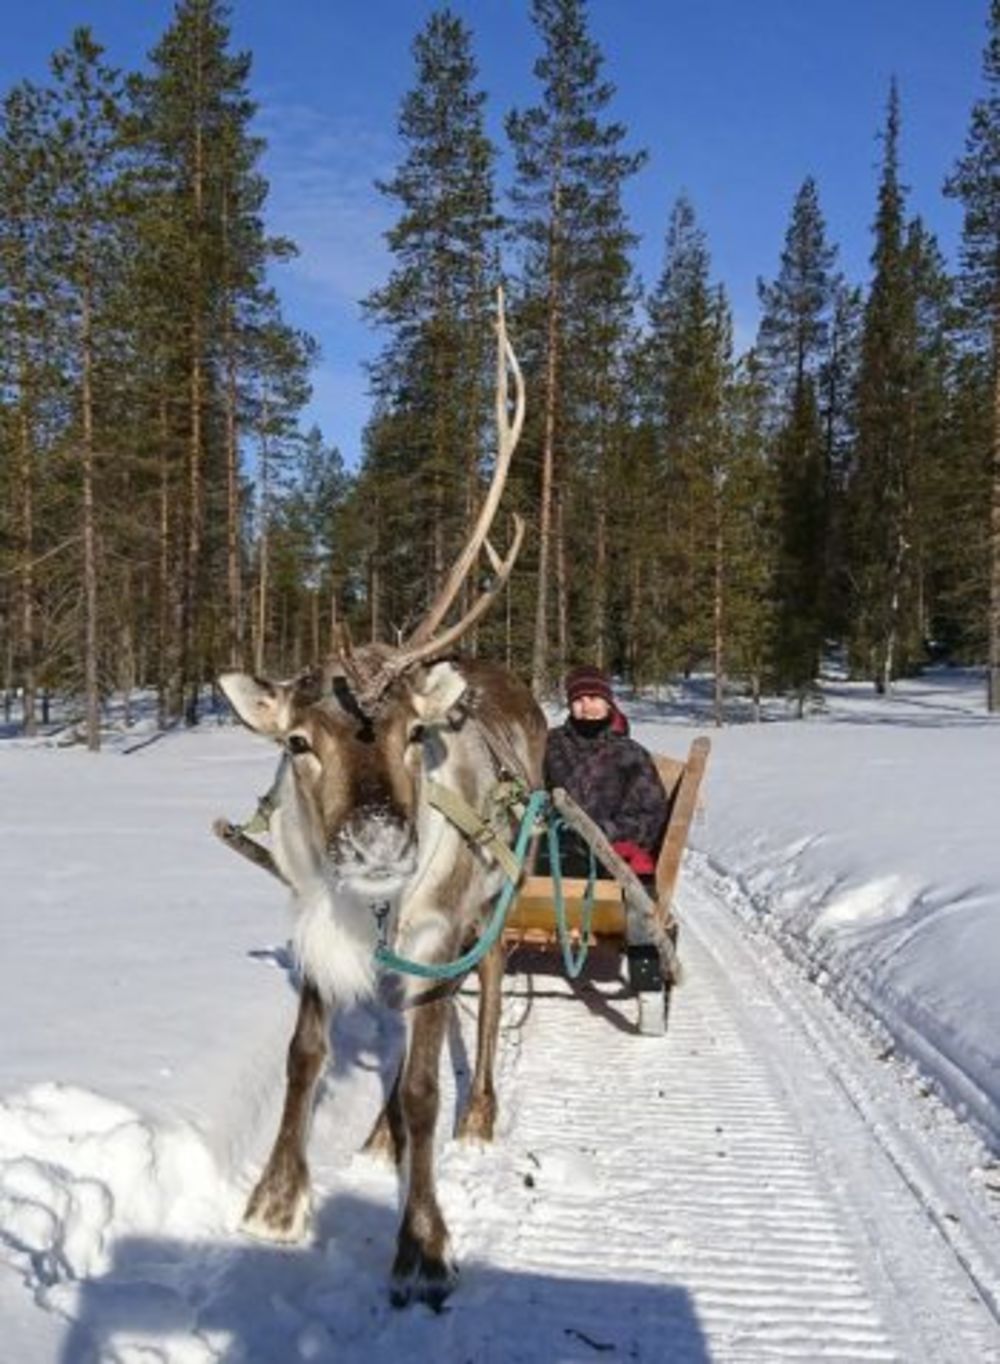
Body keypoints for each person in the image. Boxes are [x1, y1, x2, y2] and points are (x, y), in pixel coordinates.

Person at [543, 665, 668, 882]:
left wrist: (603, 833)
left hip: (610, 856)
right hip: (556, 850)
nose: (587, 707)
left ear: (608, 703)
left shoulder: (631, 754)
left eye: (593, 698)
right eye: (578, 700)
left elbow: (650, 813)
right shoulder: (550, 744)